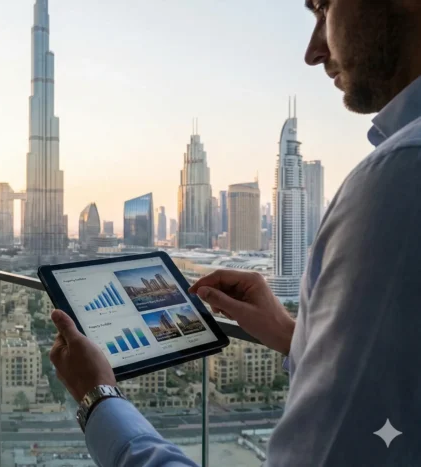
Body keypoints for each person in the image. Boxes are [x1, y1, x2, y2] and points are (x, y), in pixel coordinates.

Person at [49, 0, 421, 465]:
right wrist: (292, 335)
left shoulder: (399, 175)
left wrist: (98, 400)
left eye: (323, 7)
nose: (312, 51)